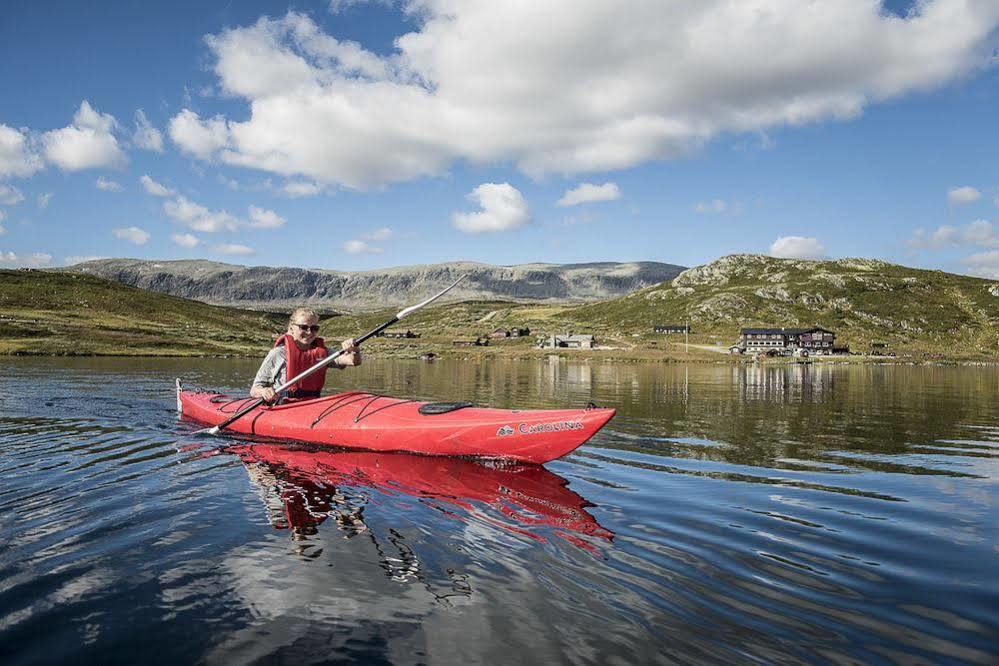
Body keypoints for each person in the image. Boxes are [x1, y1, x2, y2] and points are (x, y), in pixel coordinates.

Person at [250, 307, 361, 403]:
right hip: (283, 406)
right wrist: (264, 392)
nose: (309, 332)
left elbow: (353, 361)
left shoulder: (323, 352)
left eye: (314, 328)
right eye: (303, 327)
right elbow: (254, 389)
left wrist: (354, 349)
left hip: (311, 406)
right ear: (291, 329)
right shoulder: (278, 354)